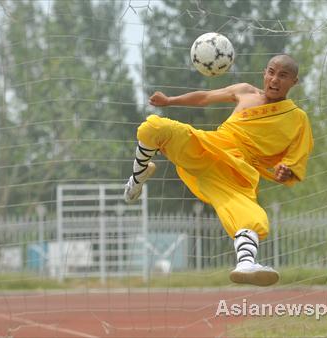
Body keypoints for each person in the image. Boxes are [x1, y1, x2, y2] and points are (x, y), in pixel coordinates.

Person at [124, 54, 314, 287]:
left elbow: (295, 159)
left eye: (283, 76)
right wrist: (169, 100)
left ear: (294, 82)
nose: (274, 79)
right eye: (271, 72)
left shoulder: (298, 119)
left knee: (251, 216)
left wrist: (287, 171)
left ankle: (245, 263)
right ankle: (137, 176)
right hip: (209, 146)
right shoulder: (245, 91)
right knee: (154, 126)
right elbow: (205, 97)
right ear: (264, 73)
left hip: (236, 171)